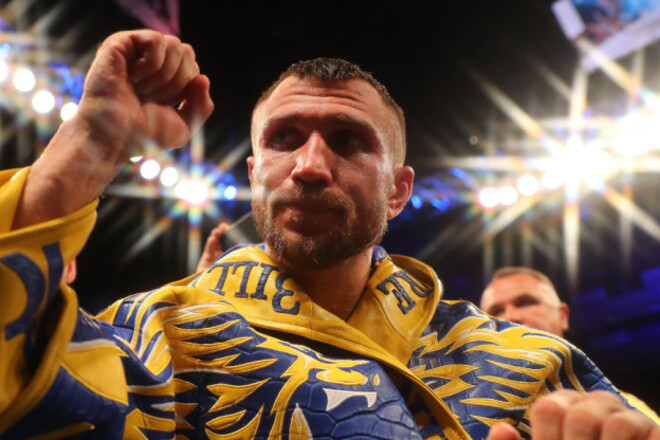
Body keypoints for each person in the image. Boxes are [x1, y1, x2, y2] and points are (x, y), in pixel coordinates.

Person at [1, 30, 658, 440]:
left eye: (348, 141)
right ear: (255, 175)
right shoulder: (155, 332)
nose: (310, 166)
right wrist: (90, 141)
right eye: (284, 139)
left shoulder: (530, 358)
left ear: (398, 190)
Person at [480, 266, 660, 424]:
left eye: (525, 303)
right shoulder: (467, 420)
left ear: (563, 316)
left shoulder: (623, 406)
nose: (511, 317)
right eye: (496, 311)